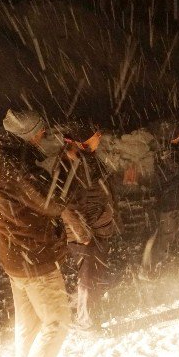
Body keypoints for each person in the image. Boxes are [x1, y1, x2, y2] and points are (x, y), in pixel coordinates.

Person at [0, 109, 77, 357]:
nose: (43, 135)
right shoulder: (16, 166)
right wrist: (68, 166)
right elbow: (52, 202)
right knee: (57, 321)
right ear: (29, 133)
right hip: (34, 256)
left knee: (30, 321)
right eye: (40, 131)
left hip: (15, 255)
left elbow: (32, 191)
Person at [52, 122, 123, 330]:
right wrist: (81, 233)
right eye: (95, 133)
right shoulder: (68, 163)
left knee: (94, 274)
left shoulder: (86, 158)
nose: (99, 135)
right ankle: (86, 321)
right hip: (85, 233)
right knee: (88, 276)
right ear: (82, 139)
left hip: (97, 228)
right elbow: (63, 204)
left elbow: (100, 188)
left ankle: (90, 311)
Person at [140, 121, 179, 279]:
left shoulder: (172, 152)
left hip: (174, 202)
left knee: (170, 236)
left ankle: (157, 267)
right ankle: (149, 270)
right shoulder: (165, 155)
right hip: (169, 203)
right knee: (164, 237)